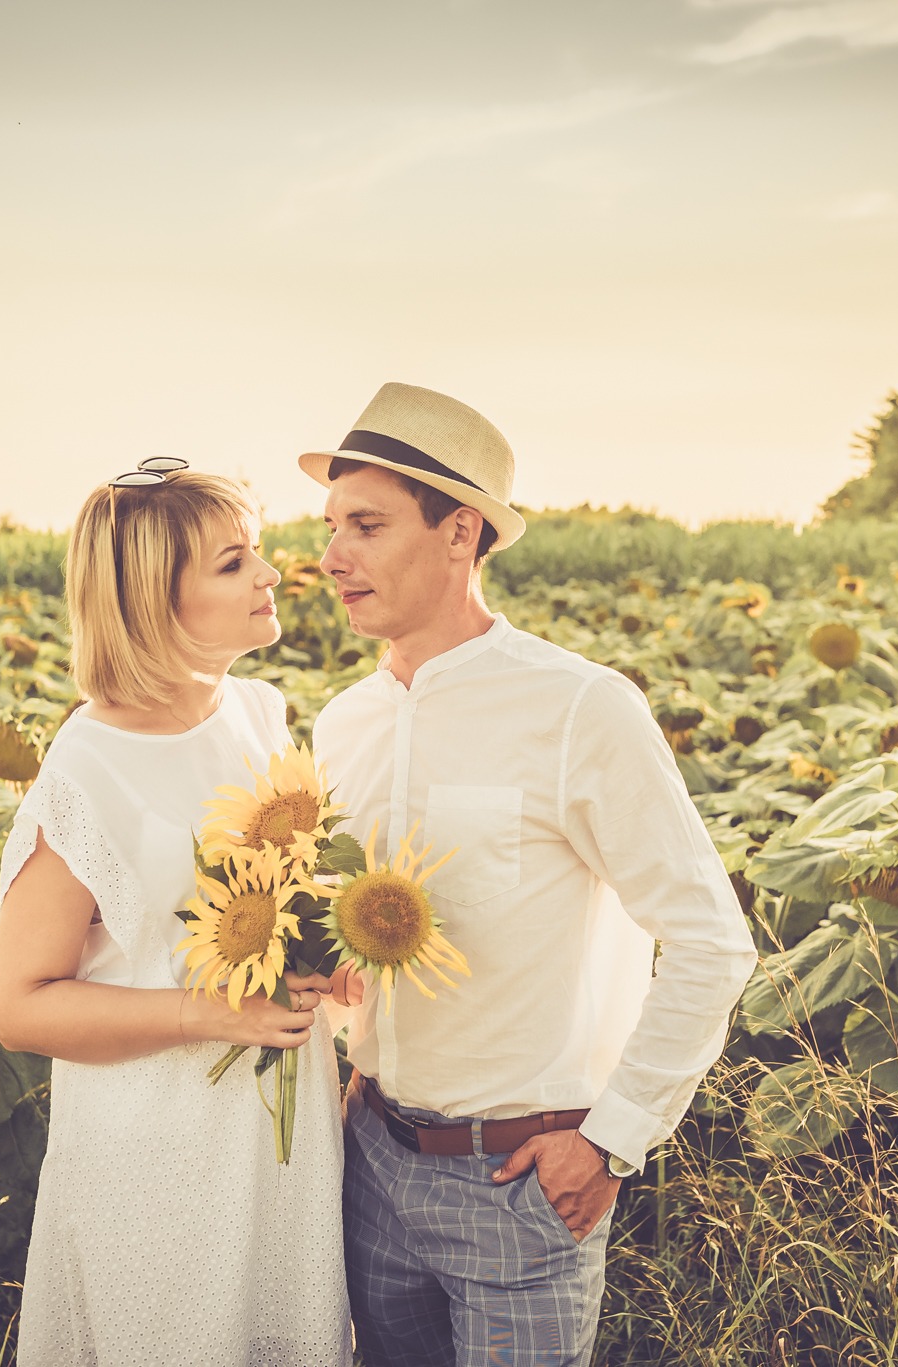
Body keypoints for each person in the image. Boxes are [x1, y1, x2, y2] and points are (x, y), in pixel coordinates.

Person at [301, 384, 760, 1366]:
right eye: (330, 525)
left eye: (366, 526)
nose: (331, 556)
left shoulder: (579, 708)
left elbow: (712, 942)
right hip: (370, 1161)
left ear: (459, 531)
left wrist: (610, 1137)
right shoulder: (340, 723)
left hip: (519, 1179)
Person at [0, 458, 352, 1367]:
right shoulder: (86, 770)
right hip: (155, 1159)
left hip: (276, 1147)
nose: (271, 574)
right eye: (234, 563)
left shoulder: (259, 716)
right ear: (152, 600)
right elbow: (21, 1003)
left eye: (258, 550)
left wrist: (325, 950)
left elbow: (257, 911)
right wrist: (206, 1014)